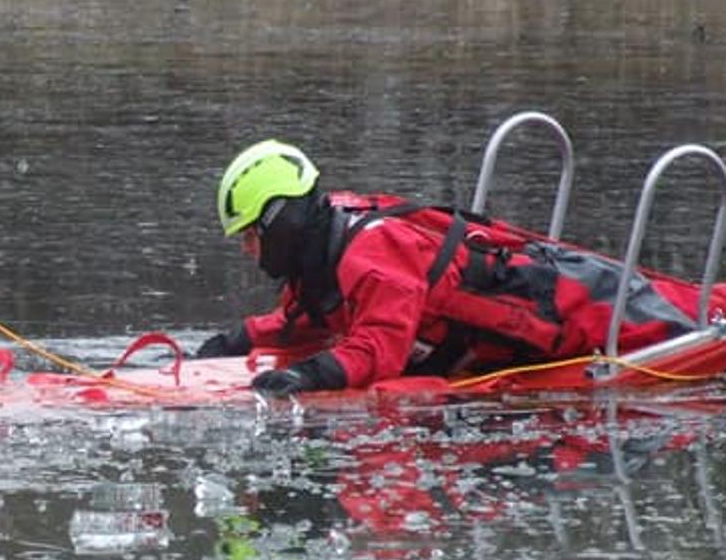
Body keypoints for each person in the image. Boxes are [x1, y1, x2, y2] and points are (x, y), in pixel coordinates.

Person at [197, 139, 726, 397]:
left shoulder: (372, 259)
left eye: (250, 236)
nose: (247, 250)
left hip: (563, 311)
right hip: (526, 316)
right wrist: (239, 338)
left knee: (694, 317)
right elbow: (315, 316)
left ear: (282, 224)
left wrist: (304, 378)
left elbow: (379, 348)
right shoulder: (326, 245)